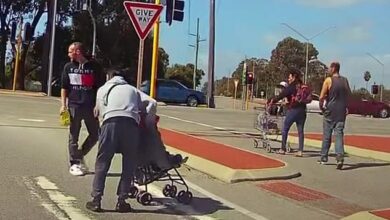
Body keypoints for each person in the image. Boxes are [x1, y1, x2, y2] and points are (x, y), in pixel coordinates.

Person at [86, 69, 152, 213]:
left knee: (102, 163)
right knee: (128, 164)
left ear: (109, 77)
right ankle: (122, 201)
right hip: (131, 126)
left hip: (110, 124)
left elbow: (98, 113)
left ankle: (96, 200)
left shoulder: (103, 89)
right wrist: (147, 121)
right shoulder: (133, 90)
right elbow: (152, 103)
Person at [60, 42, 103, 176]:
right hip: (74, 105)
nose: (68, 55)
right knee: (74, 135)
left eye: (70, 52)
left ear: (78, 52)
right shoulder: (68, 67)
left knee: (95, 134)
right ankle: (74, 163)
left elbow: (100, 88)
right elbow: (64, 87)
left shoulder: (94, 67)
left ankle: (79, 156)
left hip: (90, 106)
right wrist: (63, 105)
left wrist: (98, 105)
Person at [318, 62, 351, 169]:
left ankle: (323, 157)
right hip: (341, 111)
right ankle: (340, 157)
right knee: (339, 135)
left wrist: (321, 107)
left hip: (330, 110)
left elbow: (321, 96)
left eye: (329, 68)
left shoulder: (329, 80)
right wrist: (346, 107)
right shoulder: (345, 81)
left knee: (327, 135)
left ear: (333, 69)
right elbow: (348, 95)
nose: (328, 70)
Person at [269, 68, 307, 157]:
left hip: (293, 110)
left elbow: (281, 95)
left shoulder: (291, 87)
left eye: (289, 77)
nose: (288, 79)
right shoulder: (302, 86)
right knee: (300, 131)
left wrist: (272, 100)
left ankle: (282, 148)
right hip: (303, 111)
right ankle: (300, 150)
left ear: (294, 77)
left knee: (285, 128)